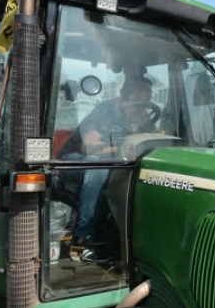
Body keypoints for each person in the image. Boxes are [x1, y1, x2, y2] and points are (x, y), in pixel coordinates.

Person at [62, 75, 158, 261]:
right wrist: (121, 148)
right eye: (141, 91)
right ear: (126, 93)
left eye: (148, 93)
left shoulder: (141, 116)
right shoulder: (105, 110)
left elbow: (156, 138)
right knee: (98, 166)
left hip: (113, 162)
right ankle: (82, 239)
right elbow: (88, 147)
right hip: (73, 160)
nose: (145, 97)